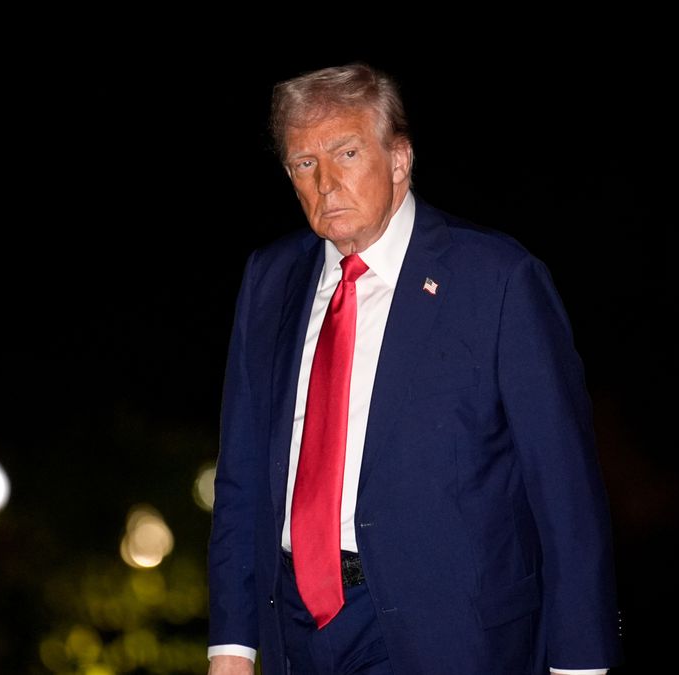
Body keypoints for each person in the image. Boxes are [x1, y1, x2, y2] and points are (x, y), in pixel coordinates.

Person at [208, 63, 622, 675]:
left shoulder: (497, 279)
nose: (324, 183)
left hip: (451, 631)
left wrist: (581, 661)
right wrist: (232, 646)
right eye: (302, 163)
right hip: (296, 628)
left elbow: (564, 489)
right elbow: (242, 478)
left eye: (346, 153)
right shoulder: (271, 280)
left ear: (399, 160)